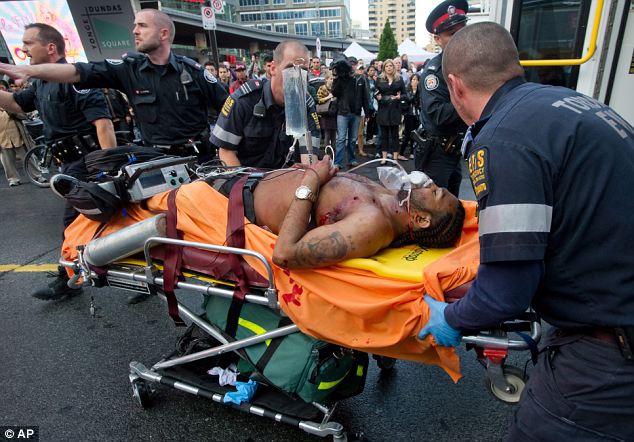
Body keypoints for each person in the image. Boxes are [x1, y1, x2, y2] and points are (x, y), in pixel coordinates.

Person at [419, 22, 634, 440]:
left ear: (454, 86)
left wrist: (454, 317)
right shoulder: (568, 104)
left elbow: (505, 292)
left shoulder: (503, 140)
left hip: (609, 352)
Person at [0, 9, 228, 159]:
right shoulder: (128, 69)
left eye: (142, 26)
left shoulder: (193, 72)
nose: (134, 31)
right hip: (156, 162)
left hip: (200, 160)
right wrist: (28, 70)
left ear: (163, 33)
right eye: (134, 25)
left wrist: (225, 151)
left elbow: (230, 110)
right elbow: (77, 71)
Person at [0, 23, 116, 301]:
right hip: (67, 165)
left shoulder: (75, 80)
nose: (24, 49)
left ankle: (67, 279)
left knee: (73, 222)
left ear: (50, 47)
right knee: (96, 222)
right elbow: (16, 104)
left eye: (29, 43)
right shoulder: (41, 82)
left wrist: (106, 171)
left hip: (86, 164)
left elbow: (103, 125)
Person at [207, 156, 465, 269]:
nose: (428, 184)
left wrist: (310, 180)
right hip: (249, 178)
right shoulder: (389, 197)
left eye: (435, 192)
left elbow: (285, 254)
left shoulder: (372, 225)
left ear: (421, 219)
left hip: (234, 201)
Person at [210, 40, 320, 169]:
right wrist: (244, 181)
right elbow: (226, 151)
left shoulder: (306, 105)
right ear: (273, 69)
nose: (296, 76)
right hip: (246, 177)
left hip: (287, 177)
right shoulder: (244, 100)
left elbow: (309, 158)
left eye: (303, 70)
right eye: (290, 68)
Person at [416, 0, 469, 197]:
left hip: (455, 148)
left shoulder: (467, 65)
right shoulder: (435, 71)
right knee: (434, 205)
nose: (460, 38)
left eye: (463, 30)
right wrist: (472, 100)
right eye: (452, 34)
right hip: (437, 151)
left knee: (453, 202)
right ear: (437, 39)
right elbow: (438, 114)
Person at [331, 55, 370, 169]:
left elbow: (365, 97)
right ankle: (338, 162)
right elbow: (334, 92)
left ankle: (352, 159)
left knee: (353, 139)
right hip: (343, 112)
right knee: (341, 139)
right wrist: (337, 78)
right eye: (350, 64)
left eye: (354, 64)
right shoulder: (342, 78)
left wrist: (367, 112)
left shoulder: (361, 78)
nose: (352, 66)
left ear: (356, 65)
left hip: (356, 113)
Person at [375, 59, 406, 165]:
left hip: (395, 109)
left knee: (395, 135)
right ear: (384, 68)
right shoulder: (380, 79)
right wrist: (378, 97)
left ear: (393, 67)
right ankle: (384, 158)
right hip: (383, 109)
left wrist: (399, 97)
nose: (389, 68)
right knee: (384, 135)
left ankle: (395, 158)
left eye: (390, 66)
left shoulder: (399, 79)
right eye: (387, 66)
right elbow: (375, 92)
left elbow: (405, 95)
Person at [0, 80, 27, 187]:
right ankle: (13, 179)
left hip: (18, 135)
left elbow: (24, 115)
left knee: (28, 157)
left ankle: (36, 176)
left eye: (2, 88)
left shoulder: (13, 100)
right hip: (2, 138)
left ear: (6, 89)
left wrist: (11, 111)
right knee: (7, 161)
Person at [398, 74, 420, 161]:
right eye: (413, 79)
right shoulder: (408, 91)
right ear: (410, 81)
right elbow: (409, 100)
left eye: (416, 79)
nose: (415, 81)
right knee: (408, 135)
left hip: (417, 115)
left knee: (415, 134)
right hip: (409, 115)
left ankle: (412, 153)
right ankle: (401, 153)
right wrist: (414, 94)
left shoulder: (420, 91)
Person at [316, 72, 337, 149]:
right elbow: (318, 100)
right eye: (331, 79)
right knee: (327, 134)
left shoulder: (335, 88)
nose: (332, 80)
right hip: (325, 113)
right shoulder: (322, 88)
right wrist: (328, 97)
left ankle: (334, 152)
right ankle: (327, 152)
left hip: (334, 113)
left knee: (334, 135)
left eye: (333, 79)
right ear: (326, 79)